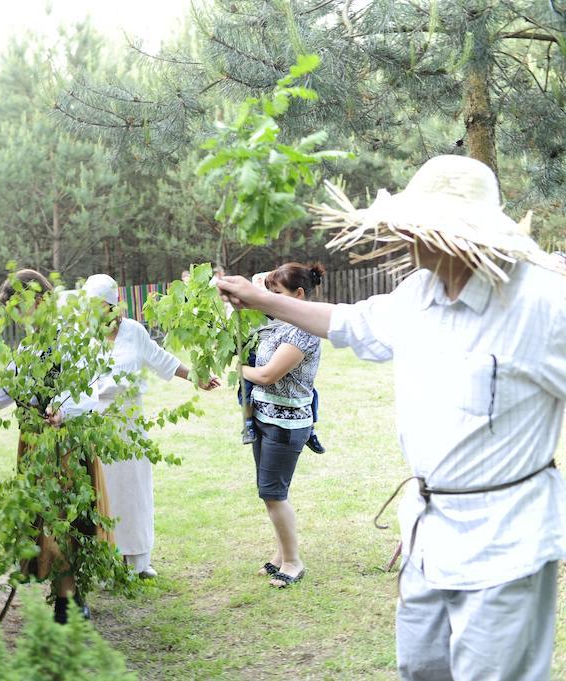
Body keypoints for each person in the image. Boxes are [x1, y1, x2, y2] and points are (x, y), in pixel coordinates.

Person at [218, 155, 566, 679]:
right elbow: (347, 322)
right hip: (428, 533)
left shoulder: (542, 304)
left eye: (418, 226)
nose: (406, 237)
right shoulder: (417, 295)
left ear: (455, 231)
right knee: (421, 668)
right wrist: (257, 298)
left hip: (505, 546)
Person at [0, 268, 110, 623]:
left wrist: (62, 412)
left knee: (66, 518)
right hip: (35, 443)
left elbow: (90, 392)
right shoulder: (28, 347)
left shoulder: (71, 337)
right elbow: (8, 390)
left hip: (67, 443)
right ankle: (62, 591)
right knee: (43, 519)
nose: (16, 317)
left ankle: (70, 597)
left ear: (39, 300)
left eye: (18, 308)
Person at [81, 274, 219, 579]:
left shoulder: (133, 332)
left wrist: (196, 376)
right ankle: (105, 561)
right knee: (102, 493)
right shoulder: (81, 337)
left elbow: (162, 360)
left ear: (113, 304)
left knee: (134, 490)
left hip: (129, 423)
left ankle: (138, 560)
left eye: (99, 305)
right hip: (94, 423)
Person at [237, 263, 325, 589]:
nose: (271, 300)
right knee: (269, 494)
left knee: (274, 494)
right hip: (264, 418)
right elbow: (256, 284)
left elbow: (267, 375)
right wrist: (262, 286)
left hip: (286, 424)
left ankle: (292, 562)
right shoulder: (279, 323)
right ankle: (280, 555)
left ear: (298, 295)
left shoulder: (303, 330)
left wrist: (236, 368)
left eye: (279, 294)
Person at [238, 271, 326, 455]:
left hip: (279, 358)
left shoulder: (290, 317)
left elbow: (268, 375)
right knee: (246, 389)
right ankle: (248, 423)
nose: (269, 296)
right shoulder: (254, 312)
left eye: (275, 292)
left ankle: (310, 428)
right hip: (257, 353)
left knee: (311, 393)